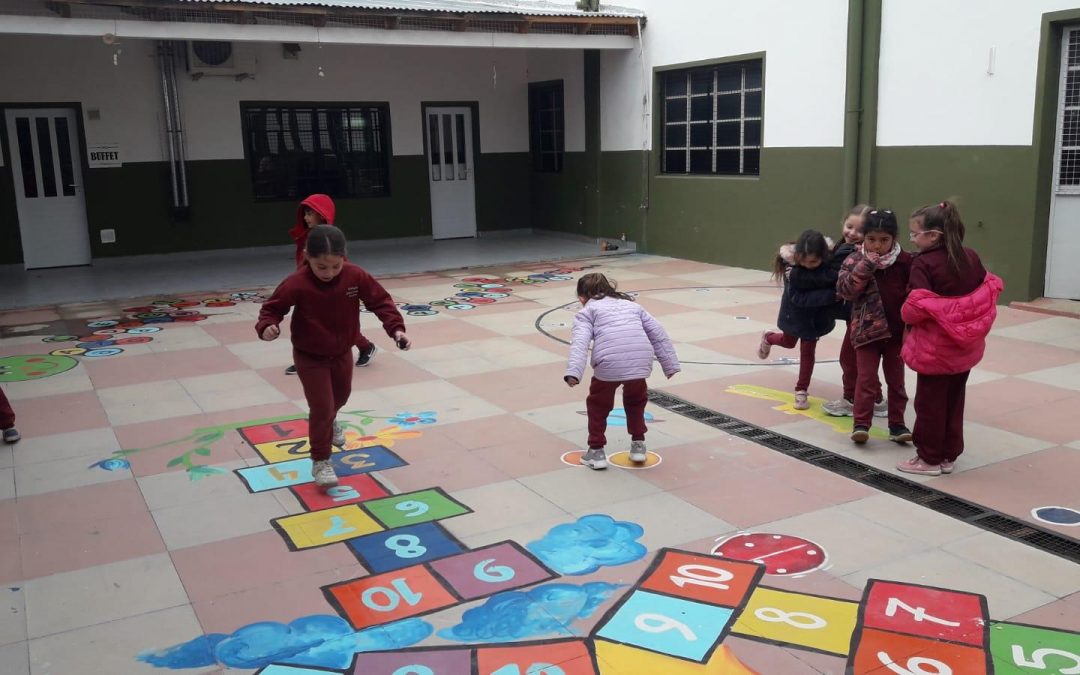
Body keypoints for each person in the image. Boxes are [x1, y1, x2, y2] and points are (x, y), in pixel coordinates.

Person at [257, 225, 410, 488]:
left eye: (335, 267)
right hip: (310, 355)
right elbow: (272, 309)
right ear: (307, 257)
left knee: (340, 398)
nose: (329, 273)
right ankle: (321, 461)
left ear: (344, 257)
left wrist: (396, 330)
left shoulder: (355, 276)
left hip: (341, 352)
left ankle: (330, 420)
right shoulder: (296, 283)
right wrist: (267, 326)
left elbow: (381, 301)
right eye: (321, 267)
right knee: (322, 407)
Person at [898, 201, 1003, 475]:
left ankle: (928, 459)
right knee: (955, 399)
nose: (912, 239)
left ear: (933, 236)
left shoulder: (924, 263)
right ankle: (948, 454)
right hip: (964, 347)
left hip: (935, 348)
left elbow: (915, 308)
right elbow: (981, 293)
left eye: (914, 234)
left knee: (929, 403)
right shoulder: (970, 256)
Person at [564, 273, 680, 470]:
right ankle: (638, 446)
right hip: (640, 362)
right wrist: (670, 364)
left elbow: (580, 344)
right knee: (636, 401)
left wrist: (574, 372)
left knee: (598, 405)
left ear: (582, 297)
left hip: (609, 364)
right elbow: (658, 333)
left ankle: (596, 451)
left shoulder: (587, 311)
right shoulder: (633, 306)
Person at [836, 209, 913, 445]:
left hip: (896, 334)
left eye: (884, 240)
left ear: (894, 239)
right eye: (871, 239)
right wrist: (866, 266)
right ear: (863, 237)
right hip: (865, 333)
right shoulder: (854, 259)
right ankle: (861, 424)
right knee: (866, 380)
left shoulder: (906, 262)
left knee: (896, 382)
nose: (877, 246)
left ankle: (897, 425)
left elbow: (915, 292)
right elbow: (845, 291)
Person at [284, 194, 378, 375]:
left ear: (321, 214)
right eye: (305, 214)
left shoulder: (331, 240)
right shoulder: (308, 237)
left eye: (310, 213)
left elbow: (342, 268)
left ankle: (366, 347)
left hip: (333, 293)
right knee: (309, 324)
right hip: (310, 290)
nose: (306, 218)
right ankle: (305, 358)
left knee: (340, 327)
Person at [757, 229, 838, 410]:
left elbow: (830, 278)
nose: (808, 265)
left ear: (823, 257)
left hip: (814, 320)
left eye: (814, 262)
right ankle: (769, 337)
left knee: (807, 352)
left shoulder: (829, 266)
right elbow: (798, 298)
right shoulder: (791, 270)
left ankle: (801, 390)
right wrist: (831, 295)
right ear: (798, 256)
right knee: (788, 342)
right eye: (804, 261)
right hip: (794, 314)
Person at [822, 205, 888, 419]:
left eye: (859, 231)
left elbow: (835, 281)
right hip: (858, 316)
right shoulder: (846, 247)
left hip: (863, 317)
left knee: (850, 359)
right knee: (861, 361)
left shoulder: (858, 255)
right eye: (849, 226)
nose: (852, 233)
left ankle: (853, 399)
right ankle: (876, 400)